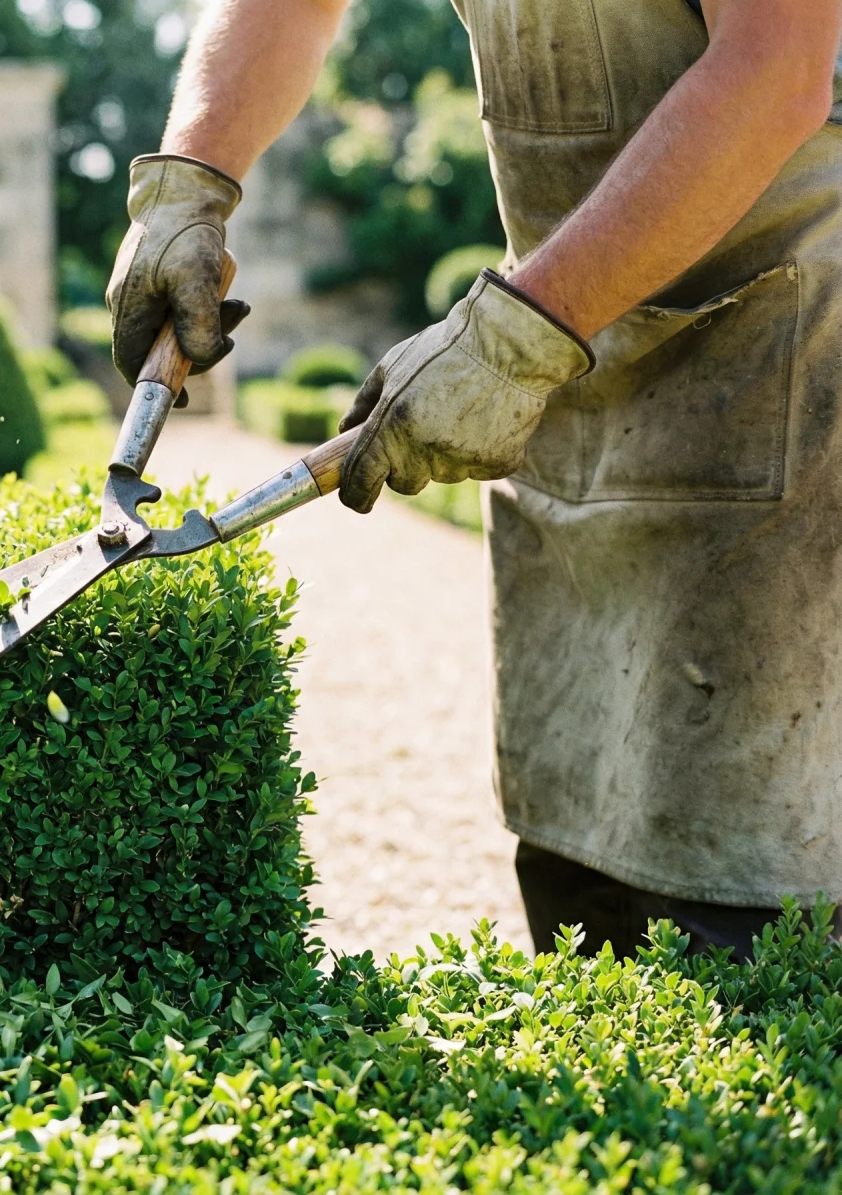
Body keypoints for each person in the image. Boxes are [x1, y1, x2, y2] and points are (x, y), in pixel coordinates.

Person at [108, 0, 842, 960]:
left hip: (773, 363)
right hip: (561, 364)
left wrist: (514, 339)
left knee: (744, 882)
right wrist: (188, 183)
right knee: (576, 862)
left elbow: (778, 67)